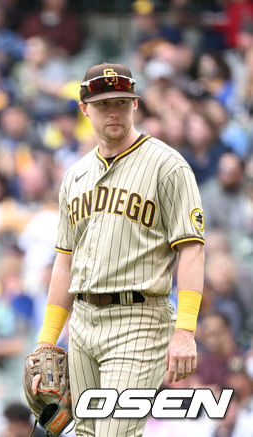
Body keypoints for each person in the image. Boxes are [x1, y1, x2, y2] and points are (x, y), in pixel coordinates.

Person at [30, 63, 205, 437]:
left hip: (139, 321)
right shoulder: (75, 175)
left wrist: (185, 331)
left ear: (136, 104)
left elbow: (192, 249)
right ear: (84, 109)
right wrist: (47, 339)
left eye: (122, 103)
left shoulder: (167, 165)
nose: (114, 112)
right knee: (86, 434)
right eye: (104, 103)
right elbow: (65, 262)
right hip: (82, 322)